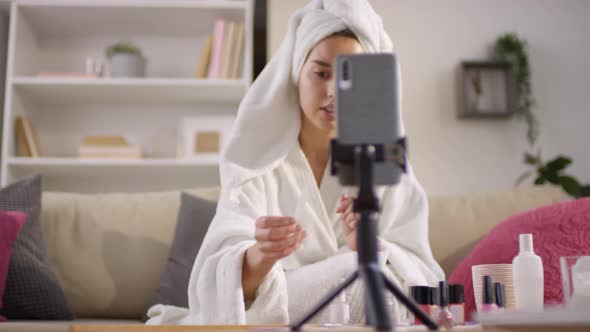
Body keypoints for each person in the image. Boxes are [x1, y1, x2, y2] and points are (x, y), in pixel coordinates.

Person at [146, 0, 443, 325]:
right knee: (349, 271)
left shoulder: (382, 165)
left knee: (364, 276)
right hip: (285, 306)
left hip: (353, 305)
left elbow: (422, 280)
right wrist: (261, 255)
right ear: (296, 74)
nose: (333, 91)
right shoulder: (256, 164)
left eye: (348, 75)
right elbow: (221, 285)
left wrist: (371, 246)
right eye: (321, 73)